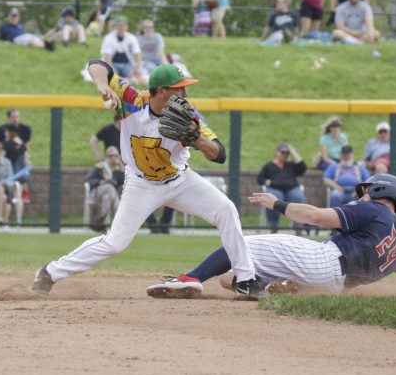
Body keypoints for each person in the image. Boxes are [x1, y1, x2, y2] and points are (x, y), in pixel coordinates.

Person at [30, 62, 263, 297]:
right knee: (114, 243)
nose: (185, 93)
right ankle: (50, 273)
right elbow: (97, 65)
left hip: (180, 180)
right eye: (178, 88)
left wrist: (198, 140)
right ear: (161, 91)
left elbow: (219, 154)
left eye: (185, 88)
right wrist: (103, 86)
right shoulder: (132, 100)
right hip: (141, 183)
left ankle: (245, 280)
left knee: (226, 209)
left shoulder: (190, 115)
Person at [146, 174, 396, 300]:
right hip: (333, 286)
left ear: (380, 192)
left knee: (239, 244)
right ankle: (269, 289)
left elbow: (315, 217)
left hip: (323, 261)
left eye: (366, 191)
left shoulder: (375, 211)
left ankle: (188, 279)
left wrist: (278, 203)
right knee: (230, 277)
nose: (362, 196)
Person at [257, 143, 307, 234]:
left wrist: (292, 151)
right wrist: (267, 182)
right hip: (275, 188)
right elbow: (259, 179)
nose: (285, 154)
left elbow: (302, 167)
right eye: (282, 152)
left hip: (291, 188)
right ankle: (274, 226)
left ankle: (298, 226)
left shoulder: (291, 165)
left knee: (297, 197)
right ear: (276, 153)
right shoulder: (269, 166)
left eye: (287, 153)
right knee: (274, 197)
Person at [0, 108, 32, 202]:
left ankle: (24, 189)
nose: (15, 119)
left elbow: (26, 147)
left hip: (19, 154)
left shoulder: (25, 129)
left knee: (23, 161)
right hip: (5, 155)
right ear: (8, 118)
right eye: (13, 117)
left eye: (17, 117)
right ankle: (9, 190)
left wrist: (21, 148)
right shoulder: (1, 129)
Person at [85, 146, 123, 232]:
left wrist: (121, 166)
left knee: (107, 198)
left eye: (115, 156)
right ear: (106, 156)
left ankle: (107, 227)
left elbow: (123, 181)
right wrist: (99, 182)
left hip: (109, 196)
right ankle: (119, 213)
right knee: (109, 187)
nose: (113, 158)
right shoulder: (100, 167)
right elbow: (88, 180)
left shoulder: (117, 169)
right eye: (110, 156)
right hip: (96, 193)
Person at [100, 15, 143, 83]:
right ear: (115, 26)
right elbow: (107, 55)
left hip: (127, 64)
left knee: (136, 76)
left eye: (123, 25)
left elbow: (137, 53)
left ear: (126, 27)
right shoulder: (109, 38)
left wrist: (138, 67)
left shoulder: (131, 38)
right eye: (119, 25)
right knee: (113, 77)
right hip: (113, 63)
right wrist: (110, 69)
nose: (121, 27)